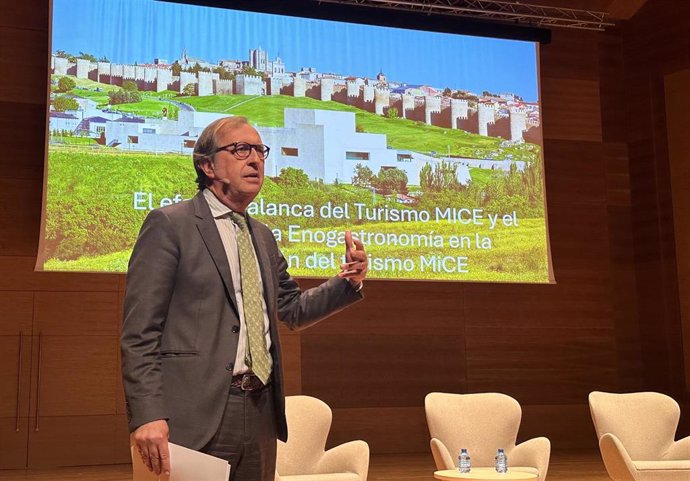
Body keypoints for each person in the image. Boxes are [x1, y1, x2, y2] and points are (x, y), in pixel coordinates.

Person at [120, 116, 368, 481]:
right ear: (206, 165)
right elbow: (140, 332)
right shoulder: (171, 225)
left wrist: (349, 281)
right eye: (240, 149)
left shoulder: (263, 236)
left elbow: (292, 309)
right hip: (196, 411)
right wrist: (146, 414)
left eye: (260, 151)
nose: (254, 159)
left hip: (260, 409)